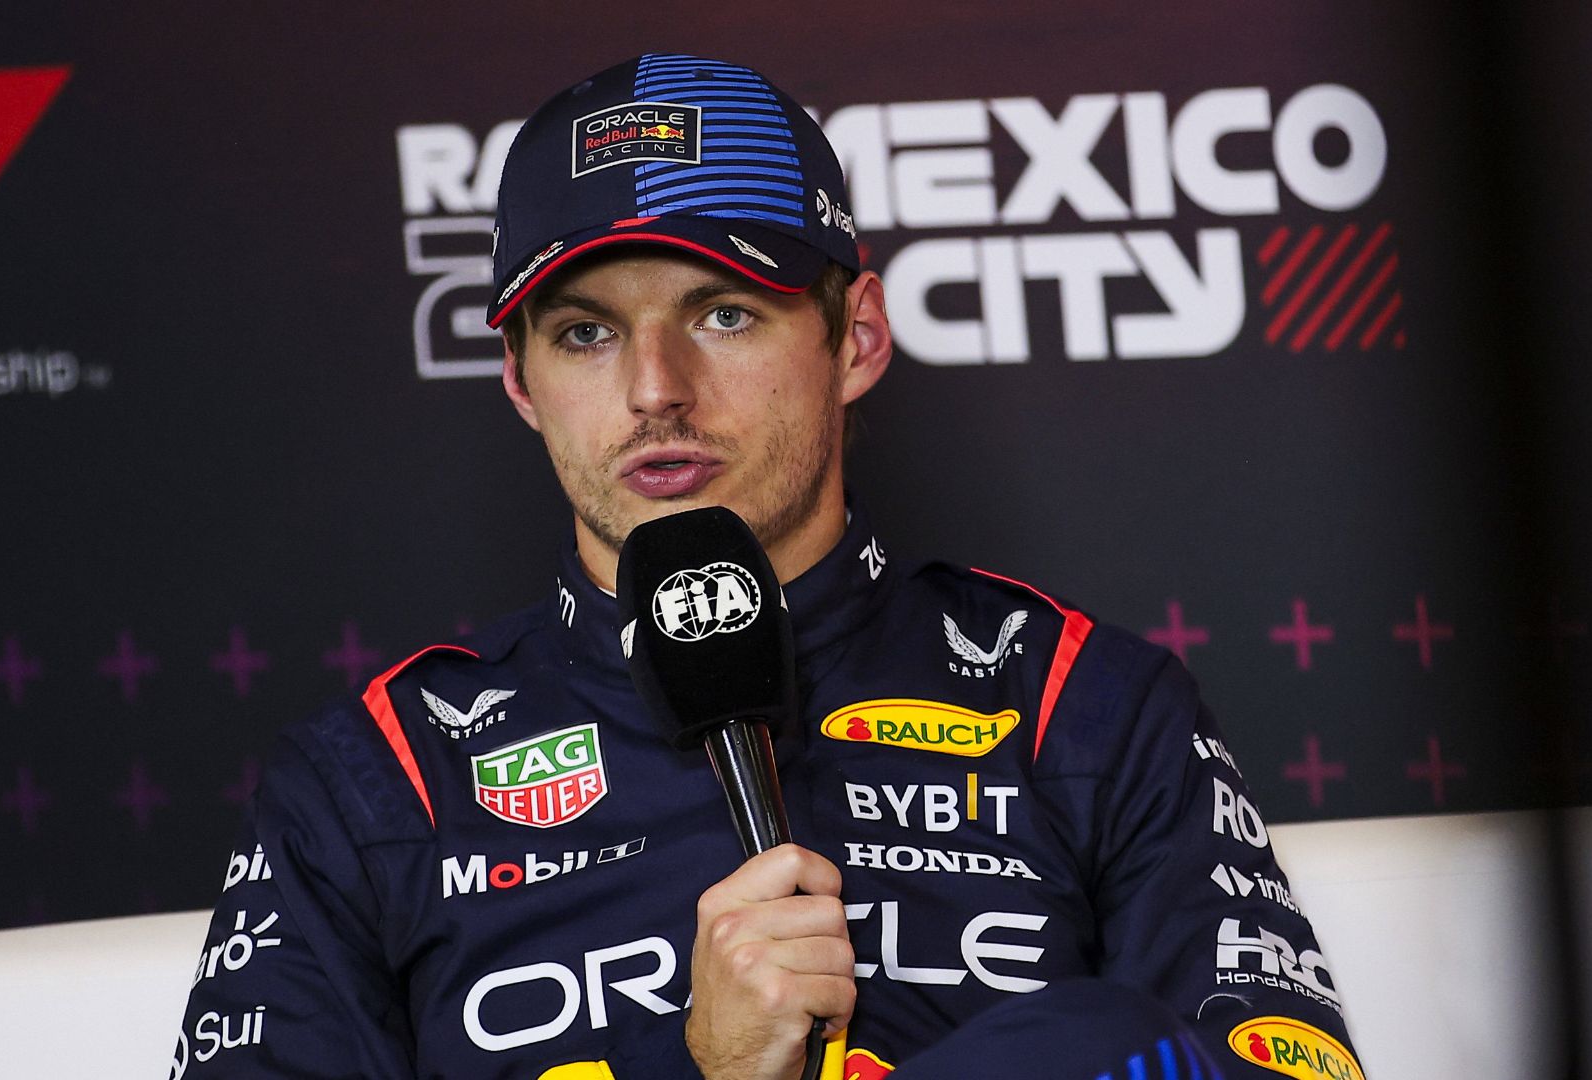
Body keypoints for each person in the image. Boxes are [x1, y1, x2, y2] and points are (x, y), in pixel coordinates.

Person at [171, 54, 1364, 1080]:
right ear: (523, 386)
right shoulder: (380, 778)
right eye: (586, 332)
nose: (654, 390)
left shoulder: (1080, 707)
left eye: (725, 313)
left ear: (855, 337)